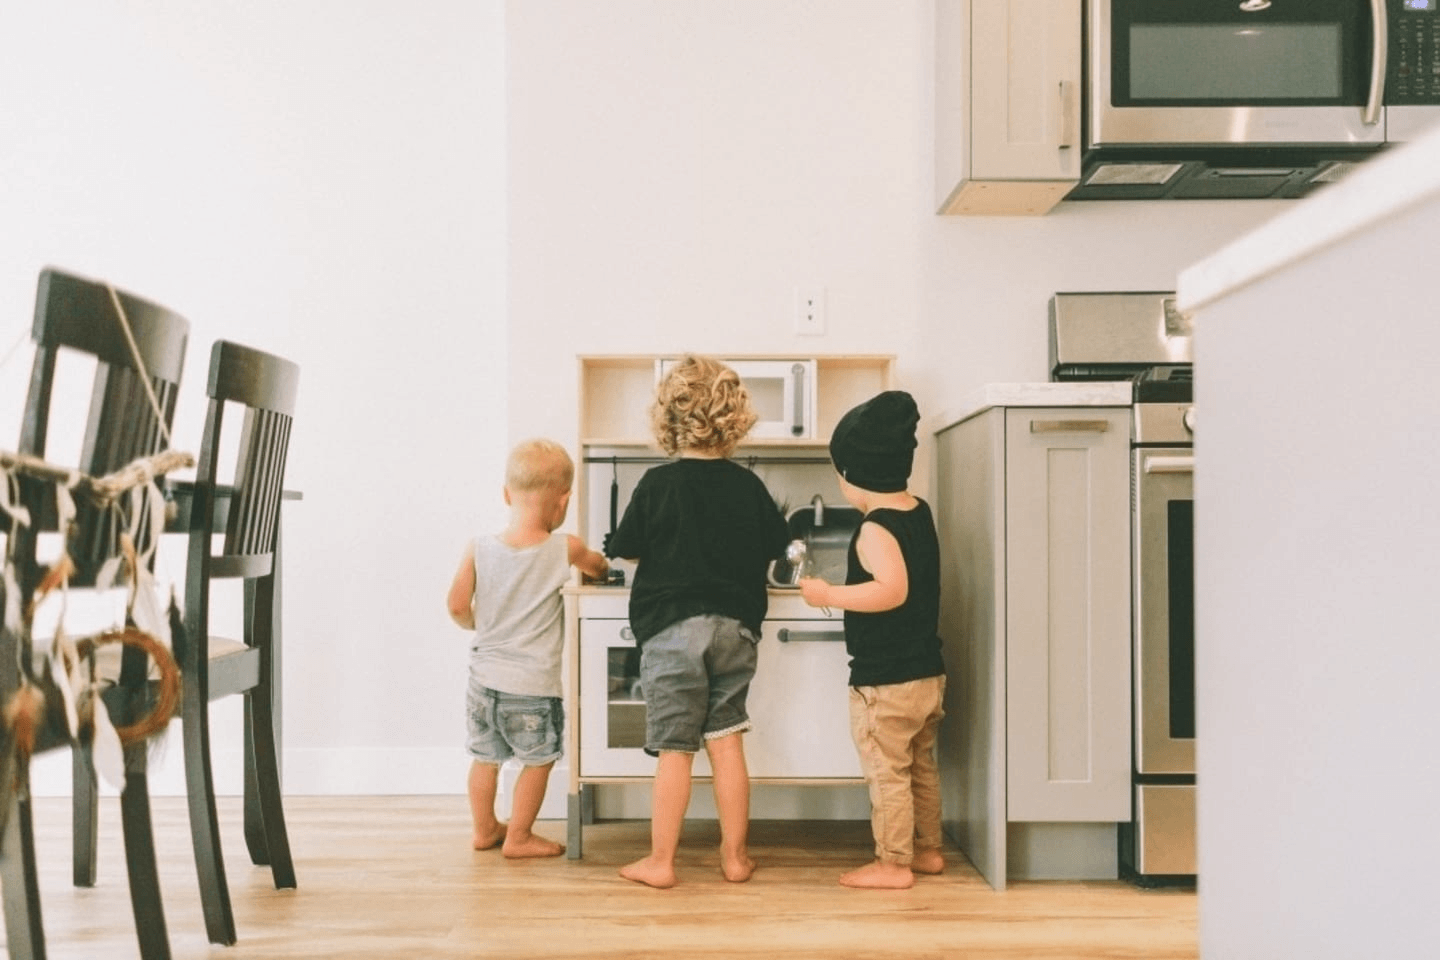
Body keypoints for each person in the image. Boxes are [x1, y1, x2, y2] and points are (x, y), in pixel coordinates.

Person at [606, 354, 789, 889]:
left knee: (675, 748)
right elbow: (778, 548)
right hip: (735, 630)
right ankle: (734, 858)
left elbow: (626, 549)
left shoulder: (656, 484)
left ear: (668, 418)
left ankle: (661, 862)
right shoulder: (748, 485)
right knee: (727, 740)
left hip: (670, 631)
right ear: (734, 418)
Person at [798, 390, 947, 889]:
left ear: (853, 476)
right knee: (920, 769)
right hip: (927, 674)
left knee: (887, 772)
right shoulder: (917, 510)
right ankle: (928, 852)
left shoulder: (873, 530)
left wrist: (827, 593)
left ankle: (892, 864)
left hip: (886, 682)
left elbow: (891, 591)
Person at [447, 438, 609, 858]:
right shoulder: (564, 547)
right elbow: (598, 567)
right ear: (564, 501)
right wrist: (603, 568)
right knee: (538, 760)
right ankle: (518, 836)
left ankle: (484, 829)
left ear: (506, 493)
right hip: (533, 687)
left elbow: (457, 605)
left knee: (485, 757)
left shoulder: (479, 547)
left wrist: (477, 625)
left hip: (483, 682)